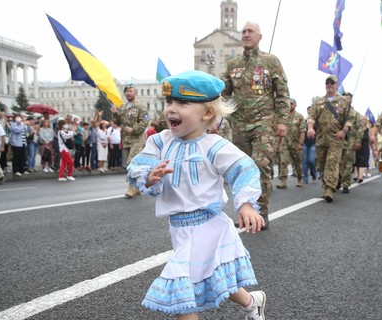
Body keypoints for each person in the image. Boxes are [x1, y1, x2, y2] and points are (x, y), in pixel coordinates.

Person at [128, 70, 266, 320]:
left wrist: (245, 204)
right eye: (169, 102)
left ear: (207, 113)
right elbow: (139, 164)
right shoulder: (160, 142)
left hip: (208, 225)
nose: (171, 109)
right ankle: (252, 302)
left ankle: (251, 302)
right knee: (216, 276)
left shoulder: (214, 146)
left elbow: (243, 169)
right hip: (179, 228)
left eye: (183, 103)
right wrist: (148, 176)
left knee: (185, 294)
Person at [221, 21, 290, 228]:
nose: (246, 34)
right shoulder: (232, 65)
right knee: (242, 168)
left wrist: (282, 121)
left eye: (250, 31)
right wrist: (216, 117)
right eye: (243, 31)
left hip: (264, 124)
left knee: (261, 166)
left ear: (260, 37)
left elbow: (282, 93)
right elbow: (223, 95)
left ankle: (261, 210)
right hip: (239, 126)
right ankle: (245, 211)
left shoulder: (271, 61)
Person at [307, 75, 353, 202]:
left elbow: (349, 119)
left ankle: (328, 189)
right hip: (321, 138)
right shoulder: (319, 102)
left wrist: (343, 131)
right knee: (322, 164)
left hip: (336, 138)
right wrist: (310, 128)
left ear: (336, 85)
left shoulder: (344, 101)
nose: (329, 85)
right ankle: (333, 180)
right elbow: (311, 117)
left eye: (332, 83)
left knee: (331, 163)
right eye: (327, 83)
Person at [111, 83, 149, 198]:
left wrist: (133, 129)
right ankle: (137, 186)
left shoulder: (140, 106)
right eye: (126, 91)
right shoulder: (122, 107)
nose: (128, 93)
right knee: (133, 165)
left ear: (135, 93)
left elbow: (145, 121)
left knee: (131, 162)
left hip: (137, 139)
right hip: (126, 140)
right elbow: (117, 122)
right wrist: (114, 114)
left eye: (130, 91)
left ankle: (131, 188)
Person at [277, 98, 305, 189]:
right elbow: (281, 132)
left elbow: (302, 131)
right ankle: (283, 181)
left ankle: (300, 179)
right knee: (283, 161)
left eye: (292, 104)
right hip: (285, 143)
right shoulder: (284, 117)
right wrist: (278, 144)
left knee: (297, 162)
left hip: (296, 143)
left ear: (295, 105)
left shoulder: (300, 117)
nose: (290, 105)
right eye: (289, 104)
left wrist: (300, 144)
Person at [337, 92, 362, 193]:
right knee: (337, 163)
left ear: (351, 100)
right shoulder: (337, 112)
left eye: (348, 98)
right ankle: (337, 179)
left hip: (350, 142)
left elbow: (360, 128)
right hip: (338, 141)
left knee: (348, 164)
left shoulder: (355, 114)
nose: (346, 100)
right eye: (344, 98)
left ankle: (346, 183)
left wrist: (358, 140)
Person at [354, 115, 371, 183]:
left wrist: (374, 148)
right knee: (357, 162)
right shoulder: (356, 129)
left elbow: (370, 139)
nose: (363, 121)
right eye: (361, 120)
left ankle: (360, 176)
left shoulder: (368, 130)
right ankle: (358, 175)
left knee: (363, 161)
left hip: (365, 147)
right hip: (357, 147)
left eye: (364, 120)